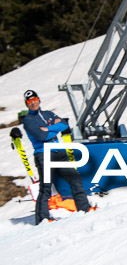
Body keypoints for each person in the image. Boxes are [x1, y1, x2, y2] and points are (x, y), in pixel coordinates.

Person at [21, 90, 93, 224]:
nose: (33, 102)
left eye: (35, 99)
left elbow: (64, 125)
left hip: (59, 153)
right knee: (46, 187)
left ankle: (84, 208)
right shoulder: (28, 120)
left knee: (74, 178)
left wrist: (48, 129)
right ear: (27, 104)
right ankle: (42, 218)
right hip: (44, 154)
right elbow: (41, 137)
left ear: (39, 99)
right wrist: (55, 128)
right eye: (30, 101)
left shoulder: (48, 114)